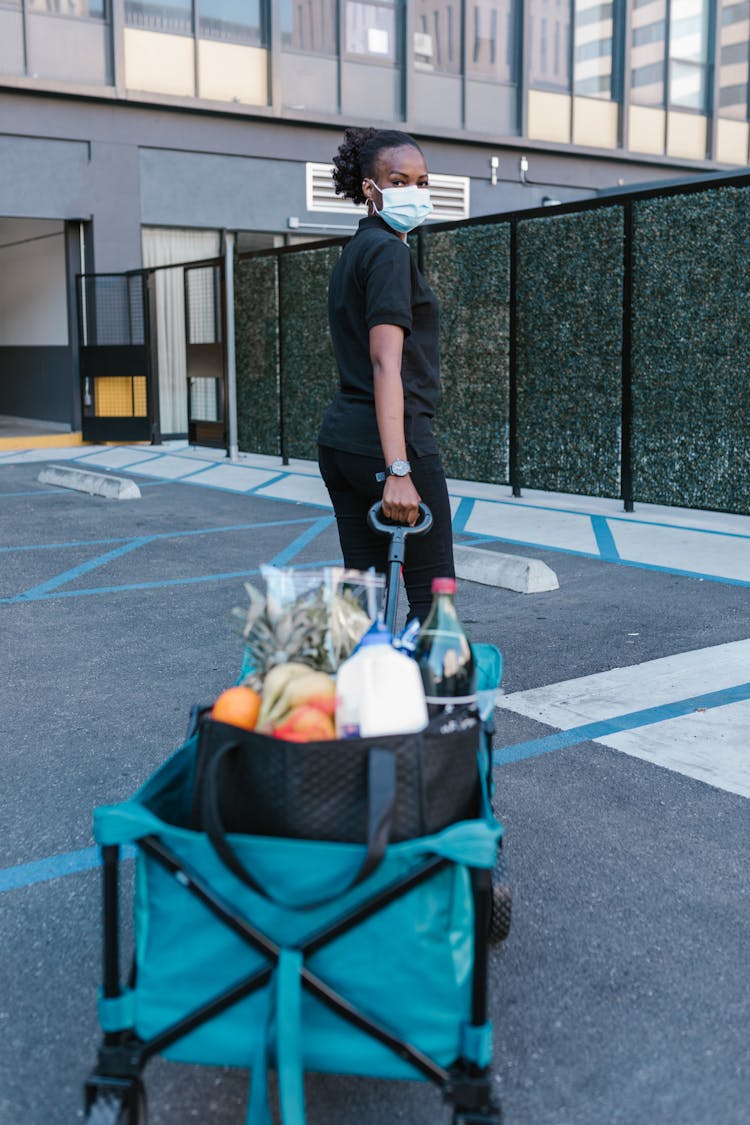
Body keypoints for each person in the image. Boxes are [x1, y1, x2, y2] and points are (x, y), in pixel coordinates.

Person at [317, 127, 455, 624]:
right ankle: (427, 701)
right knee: (432, 602)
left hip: (342, 444)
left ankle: (357, 698)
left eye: (423, 182)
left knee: (364, 604)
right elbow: (384, 362)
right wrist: (399, 470)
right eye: (400, 180)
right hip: (390, 449)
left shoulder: (355, 251)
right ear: (370, 189)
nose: (415, 193)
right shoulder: (389, 253)